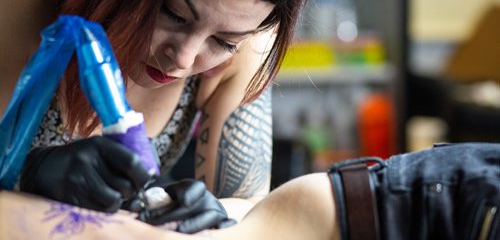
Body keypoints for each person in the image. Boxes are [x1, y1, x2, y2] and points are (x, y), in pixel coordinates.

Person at [0, 0, 314, 233]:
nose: (182, 58)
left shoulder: (249, 31)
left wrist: (219, 211)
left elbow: (249, 205)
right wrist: (29, 175)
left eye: (223, 42)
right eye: (173, 13)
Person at [1, 142, 499, 240]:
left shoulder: (251, 41)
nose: (189, 56)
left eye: (226, 41)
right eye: (176, 14)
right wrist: (27, 168)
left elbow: (243, 202)